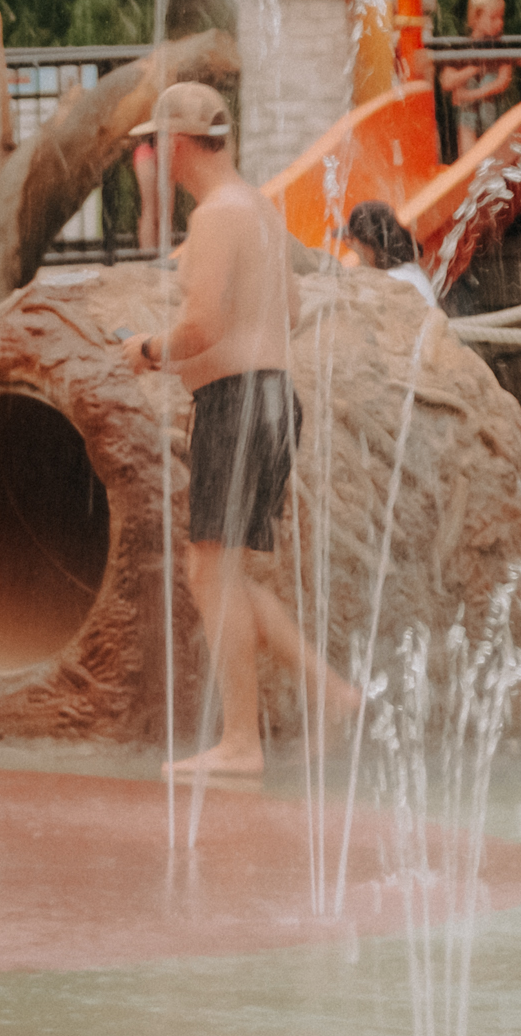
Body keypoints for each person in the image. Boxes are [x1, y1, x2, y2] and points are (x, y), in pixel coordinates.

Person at [122, 83, 355, 775]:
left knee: (207, 568)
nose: (152, 152)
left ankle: (242, 742)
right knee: (218, 569)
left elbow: (202, 324)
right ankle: (331, 690)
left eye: (156, 141)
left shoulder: (218, 215)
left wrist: (148, 351)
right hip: (272, 398)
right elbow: (286, 309)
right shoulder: (257, 207)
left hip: (239, 404)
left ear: (179, 143)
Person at [439, 0, 521, 138]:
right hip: (469, 112)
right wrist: (473, 69)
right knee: (469, 81)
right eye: (493, 18)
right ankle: (469, 149)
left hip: (494, 111)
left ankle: (491, 141)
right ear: (475, 19)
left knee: (488, 80)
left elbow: (502, 81)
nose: (500, 23)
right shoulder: (461, 47)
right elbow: (447, 82)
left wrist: (469, 95)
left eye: (501, 17)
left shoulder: (501, 46)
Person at [341, 203, 437, 309]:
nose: (348, 244)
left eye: (352, 242)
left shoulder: (389, 285)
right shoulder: (409, 271)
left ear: (368, 243)